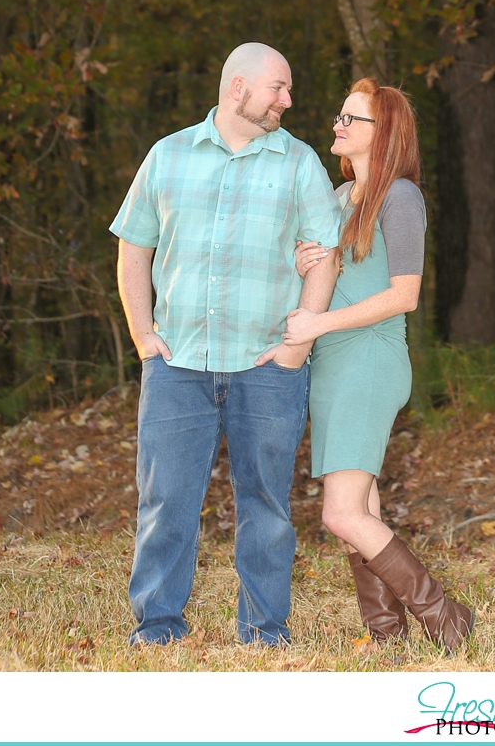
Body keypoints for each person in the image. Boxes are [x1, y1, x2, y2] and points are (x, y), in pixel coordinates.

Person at [111, 42, 342, 647]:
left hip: (268, 363)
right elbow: (134, 245)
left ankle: (265, 630)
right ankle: (157, 625)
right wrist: (142, 333)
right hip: (177, 362)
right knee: (165, 502)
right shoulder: (169, 155)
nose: (288, 101)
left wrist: (300, 335)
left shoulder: (299, 162)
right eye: (279, 88)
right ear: (238, 87)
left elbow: (327, 252)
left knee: (267, 505)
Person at [276, 78, 473, 650]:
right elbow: (329, 281)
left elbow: (404, 294)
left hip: (369, 358)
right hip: (334, 364)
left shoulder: (400, 197)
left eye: (351, 119)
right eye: (339, 116)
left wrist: (317, 325)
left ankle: (445, 616)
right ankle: (387, 634)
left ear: (381, 133)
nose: (337, 125)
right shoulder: (341, 201)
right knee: (361, 508)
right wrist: (303, 259)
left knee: (340, 514)